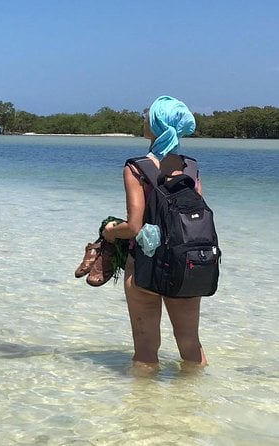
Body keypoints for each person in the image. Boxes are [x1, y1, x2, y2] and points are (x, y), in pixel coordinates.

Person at [100, 95, 207, 372]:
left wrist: (110, 232)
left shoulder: (136, 168)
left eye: (149, 116)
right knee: (191, 346)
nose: (144, 118)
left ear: (156, 124)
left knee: (146, 352)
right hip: (187, 263)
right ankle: (195, 409)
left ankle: (145, 412)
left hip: (147, 267)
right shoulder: (191, 167)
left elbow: (134, 227)